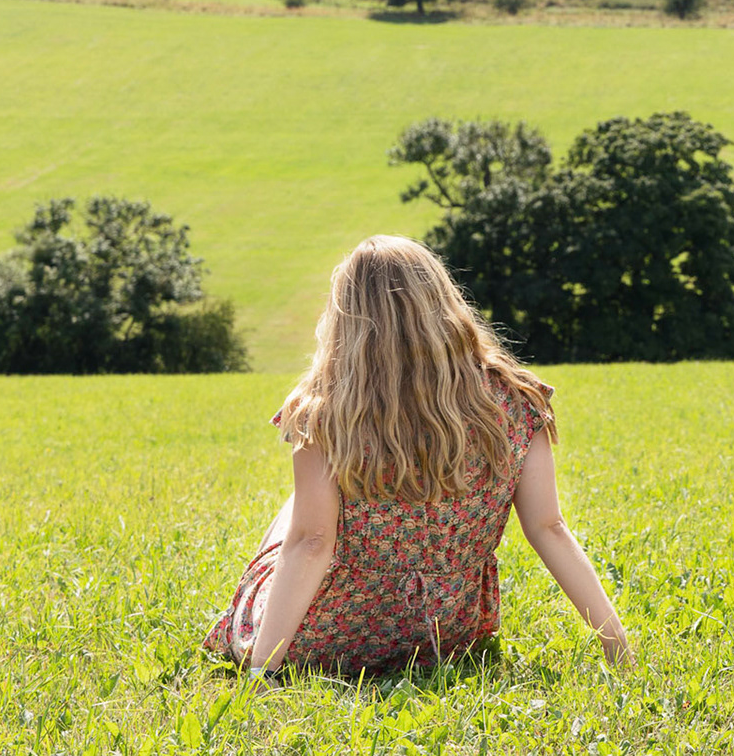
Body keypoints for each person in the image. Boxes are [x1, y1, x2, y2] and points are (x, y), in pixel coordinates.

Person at [204, 235, 631, 678]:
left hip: (326, 640)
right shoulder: (515, 397)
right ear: (442, 300)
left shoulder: (324, 410)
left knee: (298, 509)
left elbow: (312, 543)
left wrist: (262, 670)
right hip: (445, 635)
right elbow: (549, 527)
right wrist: (615, 642)